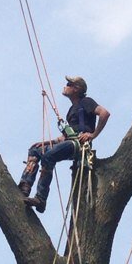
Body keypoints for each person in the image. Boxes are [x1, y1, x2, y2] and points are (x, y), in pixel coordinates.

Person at [17, 76, 110, 213]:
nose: (65, 86)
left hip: (77, 145)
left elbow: (104, 114)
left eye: (68, 84)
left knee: (48, 156)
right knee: (35, 150)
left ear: (76, 88)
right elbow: (64, 138)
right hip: (68, 142)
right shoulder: (72, 110)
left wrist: (92, 135)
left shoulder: (86, 102)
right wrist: (47, 142)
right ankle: (25, 186)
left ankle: (41, 198)